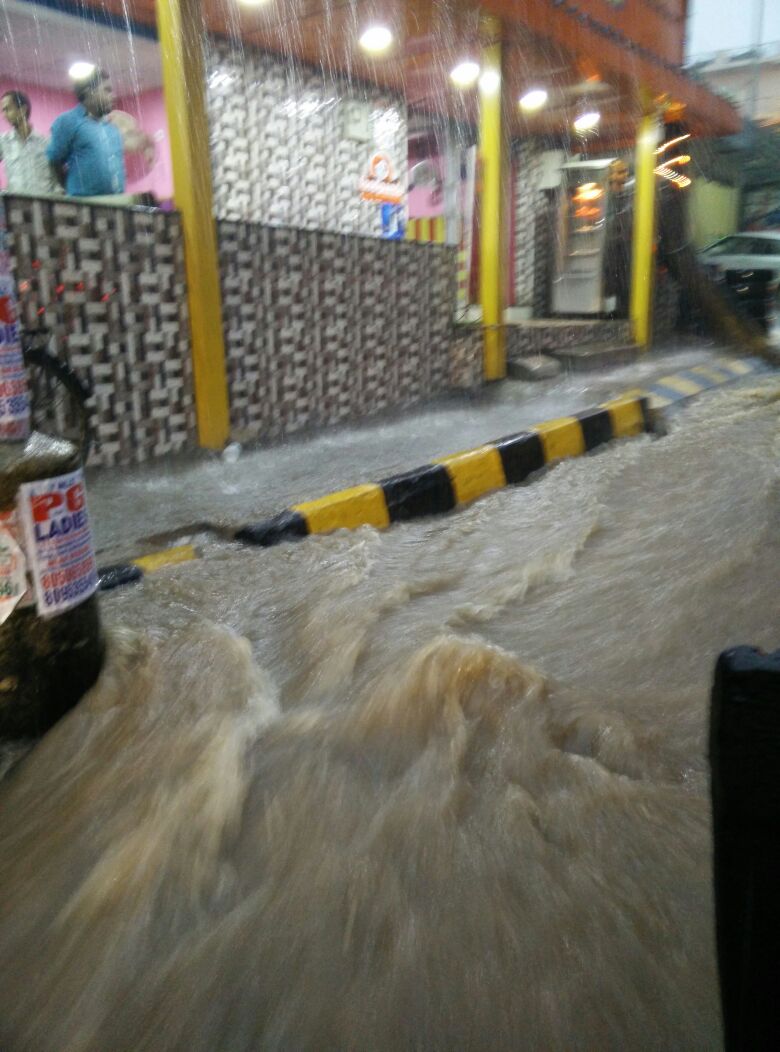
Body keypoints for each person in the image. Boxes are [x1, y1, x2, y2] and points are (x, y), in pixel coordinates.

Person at [47, 69, 125, 198]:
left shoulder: (112, 129)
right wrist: (72, 192)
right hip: (85, 207)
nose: (113, 95)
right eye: (107, 90)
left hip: (117, 204)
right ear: (90, 92)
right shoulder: (67, 121)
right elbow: (54, 161)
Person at [0, 90, 60, 196]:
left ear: (22, 110)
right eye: (3, 111)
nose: (4, 115)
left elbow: (57, 178)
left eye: (7, 109)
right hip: (16, 207)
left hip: (44, 206)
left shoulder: (46, 143)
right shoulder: (3, 142)